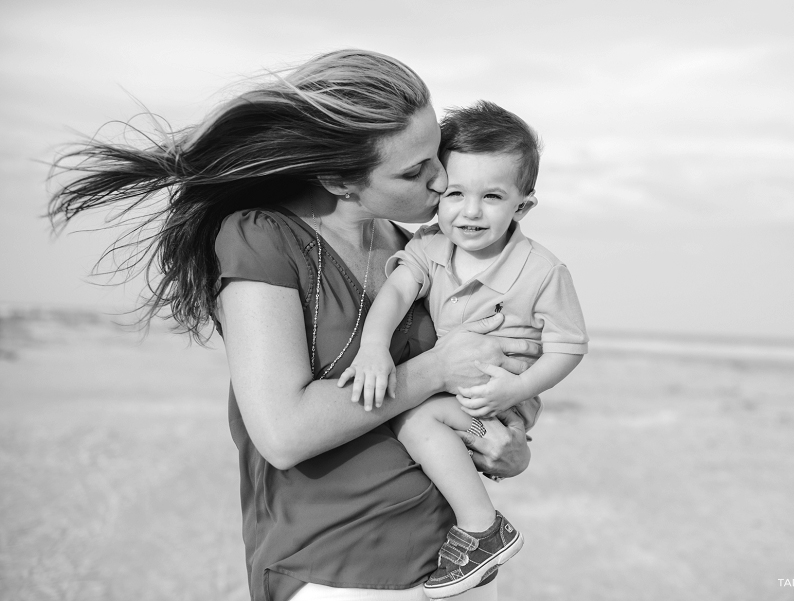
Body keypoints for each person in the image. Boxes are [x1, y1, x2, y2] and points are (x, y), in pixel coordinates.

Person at [46, 50, 538, 601]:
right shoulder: (262, 238)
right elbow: (283, 432)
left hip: (458, 565)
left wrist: (507, 448)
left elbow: (469, 398)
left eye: (435, 155)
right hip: (335, 569)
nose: (442, 180)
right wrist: (437, 366)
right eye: (413, 170)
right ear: (339, 179)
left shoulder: (418, 251)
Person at [338, 101, 589, 598]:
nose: (470, 211)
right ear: (437, 193)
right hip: (457, 391)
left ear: (522, 205)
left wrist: (515, 389)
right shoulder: (430, 246)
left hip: (502, 396)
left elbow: (568, 346)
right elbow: (397, 291)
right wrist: (373, 347)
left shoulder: (542, 271)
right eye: (455, 193)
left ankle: (482, 527)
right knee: (418, 418)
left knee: (416, 419)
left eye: (492, 196)